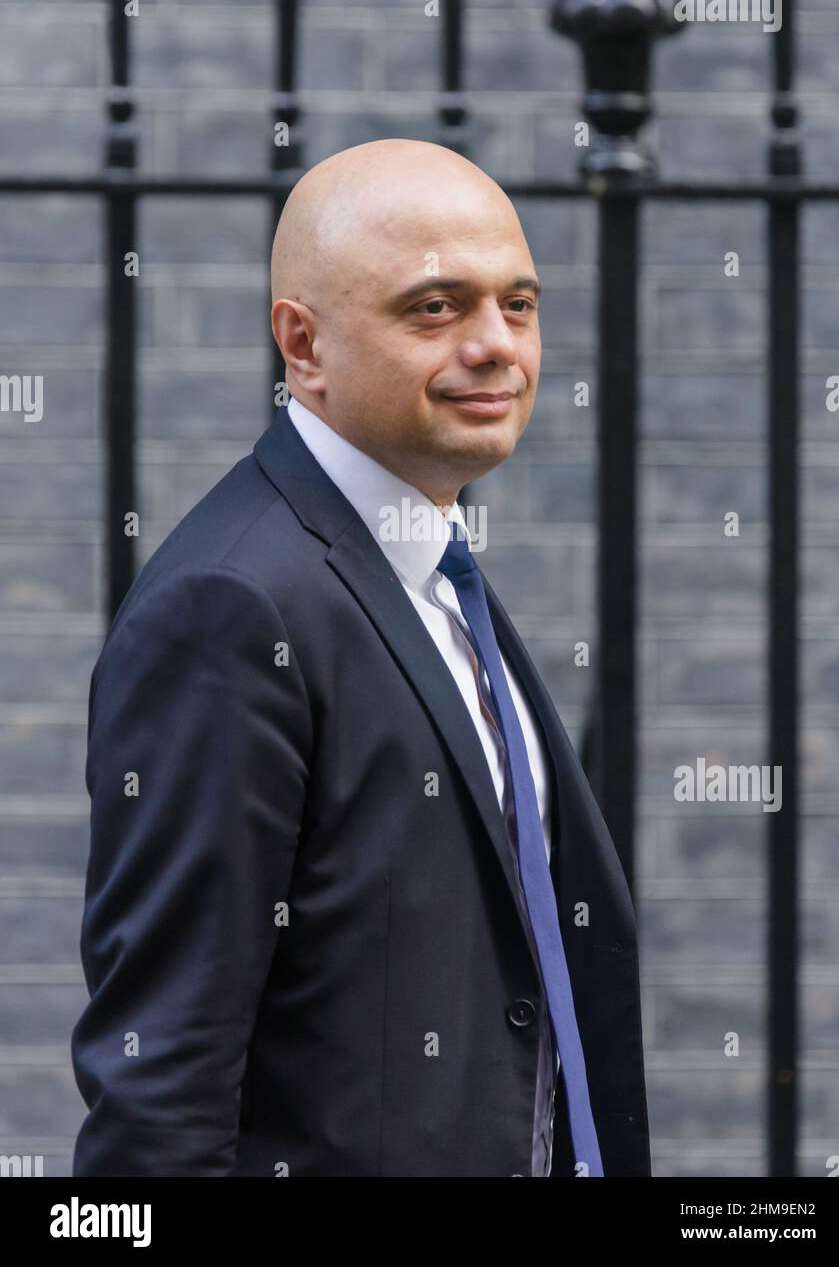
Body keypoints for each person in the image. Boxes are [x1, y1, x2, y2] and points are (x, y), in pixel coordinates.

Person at [71, 138, 650, 1177]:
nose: (494, 346)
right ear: (303, 344)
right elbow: (161, 1086)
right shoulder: (232, 608)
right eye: (435, 307)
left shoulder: (430, 567)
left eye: (516, 305)